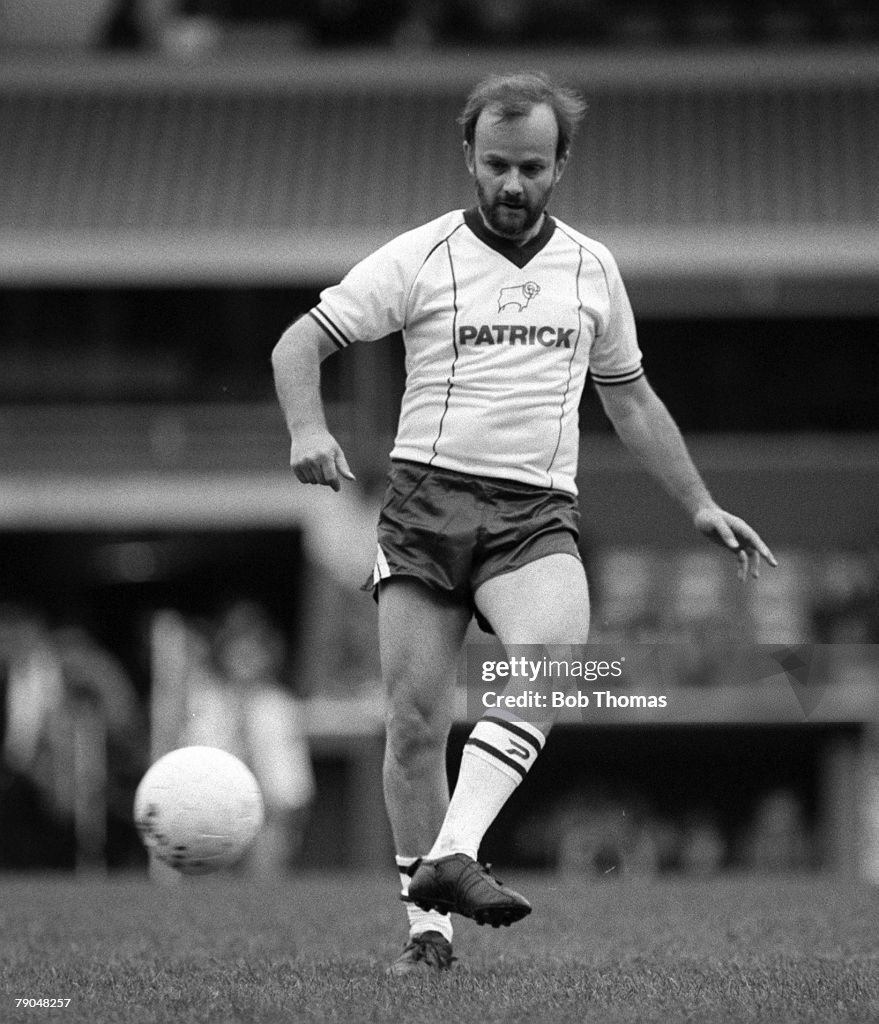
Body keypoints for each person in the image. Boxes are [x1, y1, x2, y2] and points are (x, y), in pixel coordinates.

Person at [271, 71, 777, 975]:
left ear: (561, 165)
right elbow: (298, 342)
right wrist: (307, 428)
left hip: (531, 511)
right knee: (415, 728)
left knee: (553, 665)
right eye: (497, 164)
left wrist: (697, 501)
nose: (512, 185)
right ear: (468, 156)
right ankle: (429, 936)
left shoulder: (590, 269)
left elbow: (630, 401)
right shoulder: (420, 257)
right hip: (425, 507)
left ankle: (451, 854)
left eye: (532, 168)